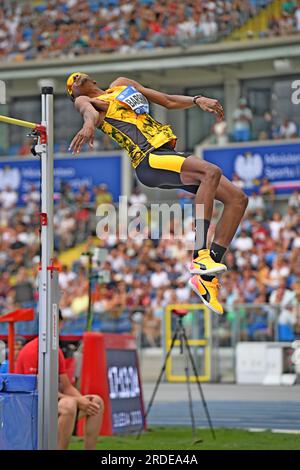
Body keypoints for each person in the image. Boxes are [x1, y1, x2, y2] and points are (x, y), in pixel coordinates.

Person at [66, 72, 248, 314]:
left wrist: (196, 100)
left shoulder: (121, 85)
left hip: (165, 154)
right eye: (72, 83)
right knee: (210, 172)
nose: (76, 78)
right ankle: (200, 254)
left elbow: (167, 100)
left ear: (94, 80)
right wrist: (89, 125)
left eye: (78, 76)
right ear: (74, 94)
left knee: (237, 199)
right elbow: (86, 111)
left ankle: (207, 275)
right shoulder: (85, 101)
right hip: (148, 159)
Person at [16, 311, 104, 450]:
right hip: (29, 406)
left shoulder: (55, 350)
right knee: (68, 404)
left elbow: (67, 386)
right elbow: (40, 389)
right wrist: (76, 401)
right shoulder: (32, 350)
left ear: (60, 324)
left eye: (55, 323)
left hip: (50, 402)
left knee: (96, 402)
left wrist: (83, 401)